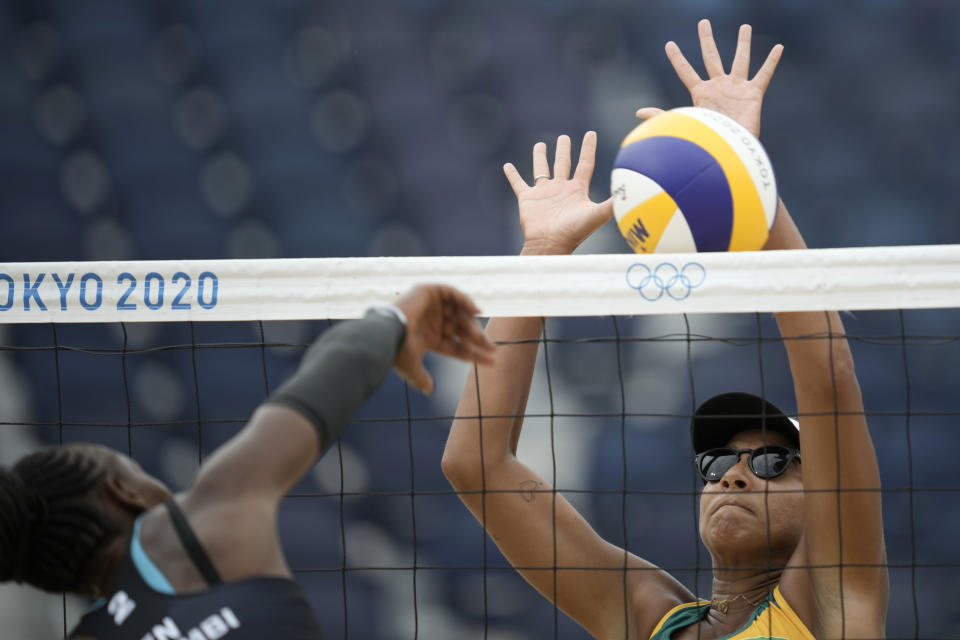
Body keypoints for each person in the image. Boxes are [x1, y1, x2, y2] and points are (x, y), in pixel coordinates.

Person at [442, 20, 887, 640]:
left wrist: (742, 171)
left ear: (822, 499)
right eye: (714, 464)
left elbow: (830, 380)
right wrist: (540, 258)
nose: (732, 475)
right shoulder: (650, 615)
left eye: (771, 460)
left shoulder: (834, 597)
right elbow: (475, 466)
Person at [0, 284, 495, 640]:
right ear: (122, 491)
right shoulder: (202, 525)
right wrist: (401, 312)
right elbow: (333, 369)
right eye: (132, 468)